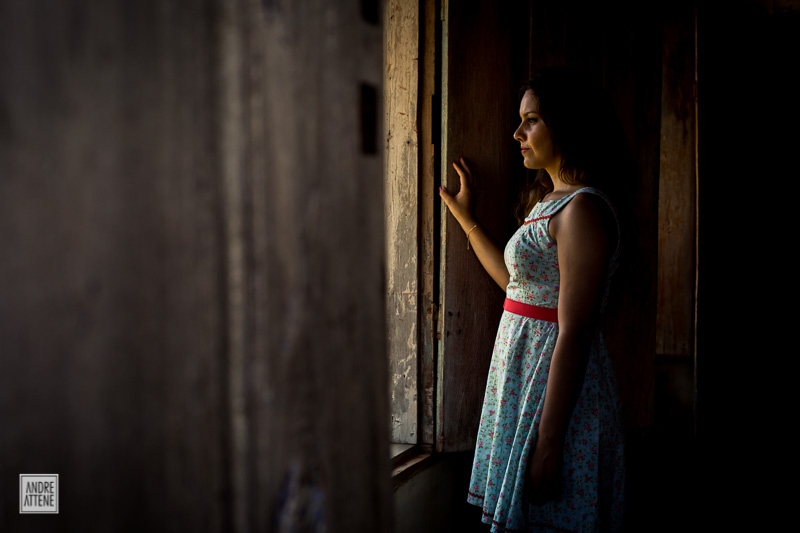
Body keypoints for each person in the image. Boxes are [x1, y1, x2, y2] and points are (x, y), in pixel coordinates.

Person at [439, 67, 626, 532]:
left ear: (566, 125)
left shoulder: (582, 208)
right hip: (524, 377)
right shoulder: (550, 202)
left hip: (553, 389)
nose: (518, 132)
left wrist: (549, 440)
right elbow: (516, 287)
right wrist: (467, 221)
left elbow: (576, 330)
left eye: (532, 120)